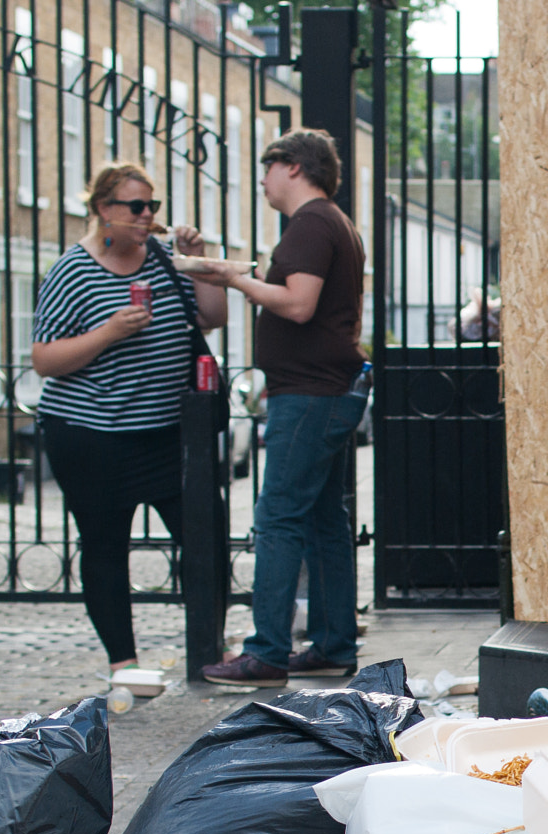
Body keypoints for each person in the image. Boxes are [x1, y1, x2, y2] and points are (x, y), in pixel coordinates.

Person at [31, 163, 227, 671]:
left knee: (206, 537)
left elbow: (212, 316)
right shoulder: (73, 270)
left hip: (166, 434)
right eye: (135, 206)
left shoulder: (162, 258)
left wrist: (200, 262)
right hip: (91, 434)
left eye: (152, 206)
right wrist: (108, 333)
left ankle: (208, 647)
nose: (146, 216)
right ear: (103, 210)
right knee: (104, 545)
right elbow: (45, 359)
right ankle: (124, 663)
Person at [201, 128, 368, 687]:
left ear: (294, 166)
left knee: (278, 518)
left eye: (268, 164)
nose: (263, 177)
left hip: (311, 394)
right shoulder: (331, 222)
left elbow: (298, 304)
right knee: (323, 521)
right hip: (325, 389)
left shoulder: (312, 223)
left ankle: (267, 652)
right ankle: (332, 644)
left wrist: (234, 278)